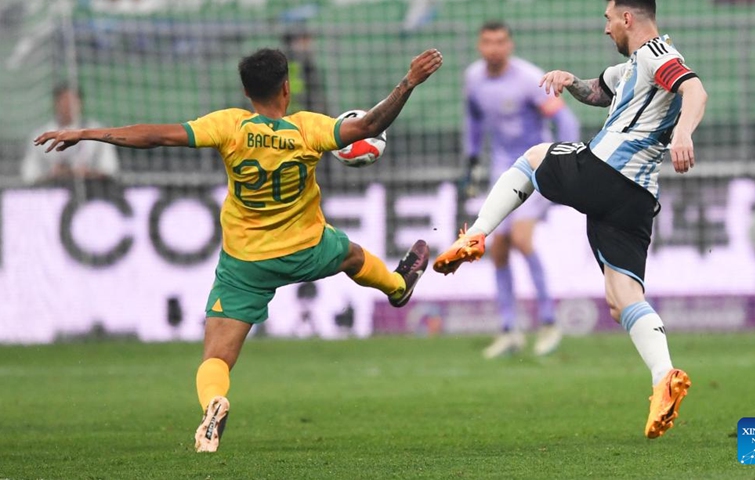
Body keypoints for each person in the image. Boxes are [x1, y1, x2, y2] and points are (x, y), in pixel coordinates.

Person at [36, 47, 443, 452]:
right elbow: (371, 124)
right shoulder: (308, 129)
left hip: (246, 263)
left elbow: (155, 135)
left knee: (216, 358)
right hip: (307, 247)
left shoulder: (228, 125)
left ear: (247, 92)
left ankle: (213, 403)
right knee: (351, 255)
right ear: (287, 88)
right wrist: (408, 82)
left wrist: (86, 133)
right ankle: (396, 286)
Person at [434, 0, 707, 439]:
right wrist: (570, 82)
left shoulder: (660, 55)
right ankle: (663, 378)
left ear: (627, 18)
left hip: (609, 170)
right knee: (623, 299)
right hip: (636, 199)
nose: (605, 29)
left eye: (607, 19)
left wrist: (684, 132)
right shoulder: (634, 66)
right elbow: (598, 90)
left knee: (534, 157)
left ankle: (477, 235)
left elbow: (694, 89)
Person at [462, 20, 581, 359]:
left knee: (521, 239)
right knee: (497, 248)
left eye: (500, 41)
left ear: (510, 45)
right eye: (488, 42)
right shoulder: (474, 79)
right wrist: (471, 161)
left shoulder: (529, 80)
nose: (494, 48)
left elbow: (565, 119)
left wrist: (564, 156)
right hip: (503, 169)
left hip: (537, 165)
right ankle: (510, 329)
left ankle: (548, 322)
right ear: (479, 46)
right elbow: (472, 120)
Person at [22, 83, 120, 185]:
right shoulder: (39, 135)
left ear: (81, 104)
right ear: (55, 103)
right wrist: (53, 175)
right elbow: (29, 176)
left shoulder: (99, 132)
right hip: (51, 192)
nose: (68, 106)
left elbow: (110, 170)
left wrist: (86, 174)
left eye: (72, 101)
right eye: (64, 101)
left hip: (91, 191)